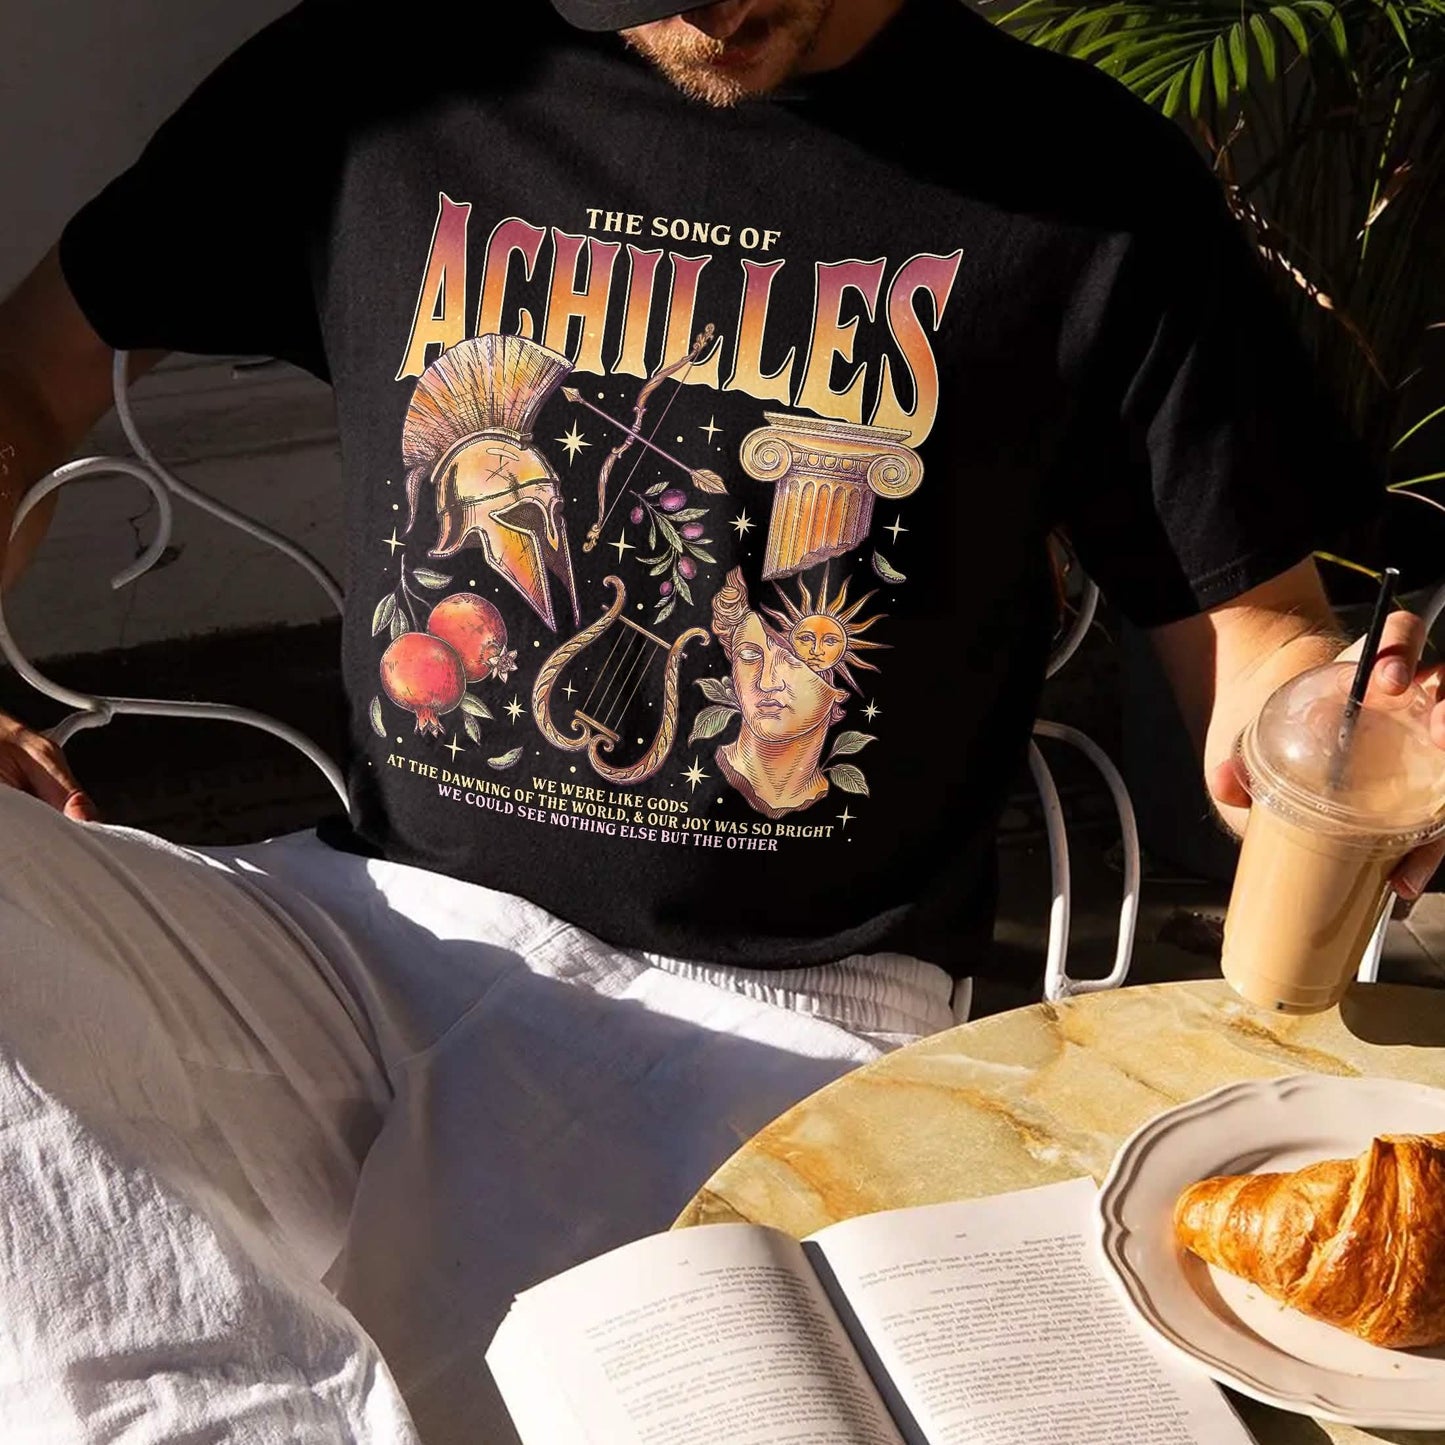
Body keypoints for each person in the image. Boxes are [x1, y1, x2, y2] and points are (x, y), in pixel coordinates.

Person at [1, 0, 1441, 1439]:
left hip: (773, 1027)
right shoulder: (371, 78)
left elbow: (1255, 637)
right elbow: (27, 373)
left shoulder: (1085, 181)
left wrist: (1335, 728)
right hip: (352, 943)